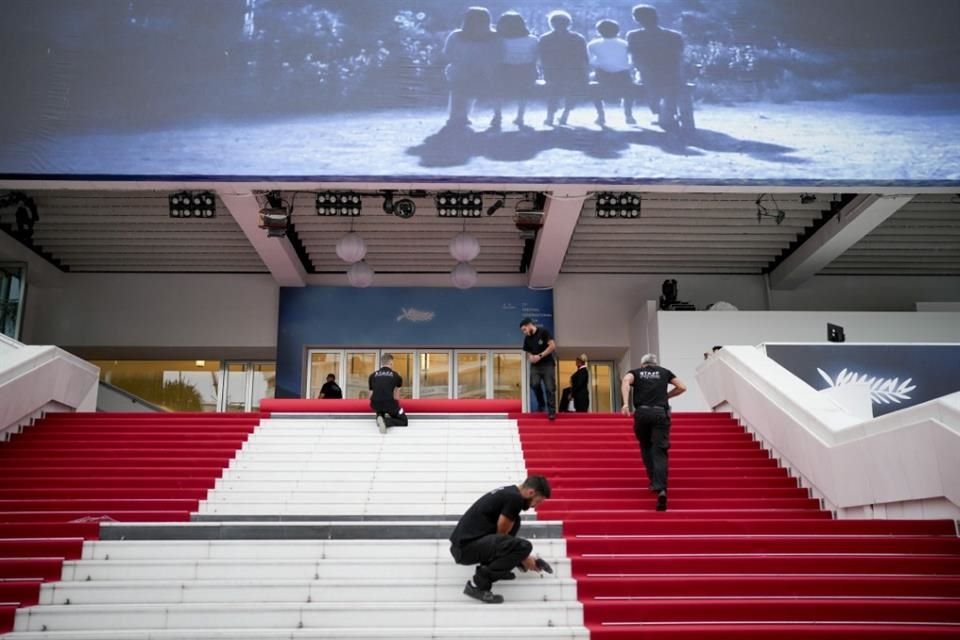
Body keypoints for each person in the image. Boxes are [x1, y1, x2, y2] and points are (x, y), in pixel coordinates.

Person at [449, 476, 554, 604]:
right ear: (531, 492)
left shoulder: (510, 492)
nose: (534, 506)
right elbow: (502, 535)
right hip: (466, 548)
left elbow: (503, 539)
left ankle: (495, 567)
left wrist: (524, 559)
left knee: (515, 522)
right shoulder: (515, 499)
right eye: (537, 502)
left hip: (464, 545)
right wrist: (524, 557)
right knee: (524, 546)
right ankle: (480, 585)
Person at [620, 353, 686, 511]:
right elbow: (682, 387)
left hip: (642, 414)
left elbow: (625, 381)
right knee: (660, 451)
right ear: (655, 364)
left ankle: (652, 480)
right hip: (660, 414)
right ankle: (661, 488)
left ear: (643, 364)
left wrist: (625, 404)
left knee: (645, 446)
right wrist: (667, 396)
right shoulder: (664, 372)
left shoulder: (635, 372)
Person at [626, 4, 685, 131]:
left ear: (636, 19)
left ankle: (661, 112)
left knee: (649, 81)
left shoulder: (633, 36)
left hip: (648, 74)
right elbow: (679, 57)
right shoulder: (674, 35)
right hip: (671, 73)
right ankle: (667, 114)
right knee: (670, 83)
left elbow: (634, 58)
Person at [442, 7, 499, 129]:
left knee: (459, 81)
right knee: (474, 81)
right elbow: (498, 55)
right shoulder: (494, 36)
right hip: (486, 72)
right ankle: (465, 115)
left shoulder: (456, 35)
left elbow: (448, 53)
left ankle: (456, 115)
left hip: (460, 71)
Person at [538, 10, 589, 126]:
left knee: (552, 92)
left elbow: (542, 58)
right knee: (572, 90)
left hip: (553, 73)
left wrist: (544, 71)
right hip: (574, 73)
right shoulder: (578, 38)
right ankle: (565, 114)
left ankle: (550, 116)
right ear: (568, 23)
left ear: (551, 23)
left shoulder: (545, 38)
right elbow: (584, 58)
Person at [491, 11, 539, 129]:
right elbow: (535, 57)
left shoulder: (497, 39)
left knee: (497, 92)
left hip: (503, 69)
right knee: (523, 93)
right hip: (526, 70)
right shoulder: (532, 39)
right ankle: (520, 116)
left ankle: (497, 116)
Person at [588, 19, 636, 126]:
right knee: (629, 90)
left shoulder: (593, 44)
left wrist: (601, 64)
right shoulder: (625, 44)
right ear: (617, 31)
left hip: (602, 74)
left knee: (595, 88)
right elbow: (631, 61)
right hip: (623, 74)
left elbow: (590, 61)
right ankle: (628, 114)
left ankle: (600, 115)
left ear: (599, 31)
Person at [520, 317, 557, 420]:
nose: (524, 332)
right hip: (535, 365)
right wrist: (531, 357)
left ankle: (551, 412)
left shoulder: (543, 332)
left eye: (524, 329)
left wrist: (540, 356)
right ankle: (541, 403)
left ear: (529, 325)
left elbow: (552, 346)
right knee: (534, 384)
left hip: (547, 364)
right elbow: (528, 352)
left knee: (550, 388)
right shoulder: (527, 339)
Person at [369, 353, 408, 434]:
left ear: (382, 363)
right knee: (404, 421)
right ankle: (386, 422)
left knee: (379, 405)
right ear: (391, 363)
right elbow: (396, 396)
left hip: (375, 404)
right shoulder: (396, 375)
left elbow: (370, 395)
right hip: (389, 403)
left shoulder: (372, 376)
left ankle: (379, 415)